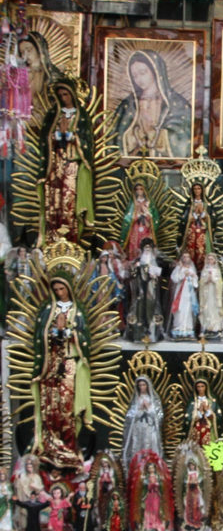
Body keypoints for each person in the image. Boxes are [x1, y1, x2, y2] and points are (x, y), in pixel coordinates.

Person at [31, 274, 91, 472]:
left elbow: (84, 337)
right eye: (55, 289)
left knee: (66, 406)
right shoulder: (48, 310)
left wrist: (70, 333)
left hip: (68, 363)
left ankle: (68, 447)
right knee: (50, 406)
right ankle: (49, 447)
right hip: (50, 365)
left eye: (61, 289)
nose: (58, 293)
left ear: (68, 288)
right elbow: (40, 334)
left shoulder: (77, 310)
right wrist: (52, 333)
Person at [37, 78, 95, 245]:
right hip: (55, 165)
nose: (63, 98)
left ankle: (72, 238)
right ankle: (52, 239)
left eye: (66, 94)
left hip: (72, 165)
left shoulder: (81, 116)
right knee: (55, 201)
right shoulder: (53, 115)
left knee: (70, 199)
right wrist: (57, 136)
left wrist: (70, 136)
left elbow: (86, 141)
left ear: (72, 95)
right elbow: (45, 138)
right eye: (60, 95)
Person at [114, 50, 191, 159]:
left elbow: (182, 138)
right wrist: (135, 134)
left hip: (167, 168)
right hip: (135, 166)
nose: (139, 79)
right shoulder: (128, 104)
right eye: (135, 75)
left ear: (155, 71)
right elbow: (117, 138)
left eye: (143, 72)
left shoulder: (176, 103)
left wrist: (156, 135)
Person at [122, 376, 164, 473]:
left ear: (148, 386)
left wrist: (149, 408)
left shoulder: (153, 400)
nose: (142, 387)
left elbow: (159, 416)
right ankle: (138, 470)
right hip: (138, 429)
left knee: (150, 446)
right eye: (140, 385)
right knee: (138, 448)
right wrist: (139, 411)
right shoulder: (136, 400)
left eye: (144, 385)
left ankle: (152, 469)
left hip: (150, 429)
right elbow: (129, 417)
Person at [125, 238, 164, 342]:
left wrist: (154, 274)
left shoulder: (156, 261)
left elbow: (161, 274)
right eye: (145, 248)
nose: (147, 250)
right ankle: (138, 331)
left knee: (152, 307)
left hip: (151, 289)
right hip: (140, 288)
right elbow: (132, 275)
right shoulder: (138, 261)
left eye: (149, 248)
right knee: (139, 308)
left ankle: (152, 331)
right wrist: (135, 268)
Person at [121, 183, 160, 261]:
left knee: (146, 245)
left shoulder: (149, 203)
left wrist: (148, 215)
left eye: (141, 189)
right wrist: (135, 216)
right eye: (137, 189)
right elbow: (127, 218)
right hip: (135, 228)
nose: (139, 191)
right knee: (134, 245)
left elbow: (155, 217)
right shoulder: (133, 203)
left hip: (146, 228)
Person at [181, 183, 212, 274]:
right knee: (191, 251)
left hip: (202, 232)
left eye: (199, 188)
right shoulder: (189, 203)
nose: (197, 191)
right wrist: (193, 215)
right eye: (195, 189)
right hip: (191, 232)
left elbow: (211, 219)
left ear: (202, 190)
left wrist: (202, 213)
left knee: (202, 252)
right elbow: (184, 219)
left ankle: (202, 272)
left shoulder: (207, 203)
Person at [168, 252, 199, 339]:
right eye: (184, 257)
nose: (186, 259)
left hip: (189, 294)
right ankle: (179, 329)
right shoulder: (178, 268)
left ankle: (187, 329)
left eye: (187, 257)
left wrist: (193, 277)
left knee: (188, 310)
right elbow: (174, 279)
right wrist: (183, 275)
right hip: (180, 293)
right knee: (180, 310)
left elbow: (196, 284)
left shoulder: (192, 268)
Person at [185, 379, 220, 446]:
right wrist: (199, 412)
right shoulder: (193, 401)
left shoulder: (211, 400)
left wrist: (207, 411)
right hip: (196, 430)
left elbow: (217, 416)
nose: (200, 388)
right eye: (198, 386)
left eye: (202, 386)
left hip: (209, 429)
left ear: (206, 387)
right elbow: (188, 418)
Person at [13, 456, 44, 531]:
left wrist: (34, 486)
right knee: (23, 516)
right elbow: (18, 486)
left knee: (33, 519)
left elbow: (40, 488)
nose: (29, 468)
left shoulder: (37, 477)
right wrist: (17, 480)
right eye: (27, 466)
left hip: (33, 500)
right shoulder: (23, 476)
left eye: (31, 466)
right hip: (23, 498)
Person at [198, 253, 223, 338]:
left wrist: (214, 281)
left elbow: (220, 283)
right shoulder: (204, 270)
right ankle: (206, 327)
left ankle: (216, 328)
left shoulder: (217, 270)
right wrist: (206, 281)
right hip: (206, 294)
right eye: (208, 259)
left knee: (215, 309)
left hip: (215, 294)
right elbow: (201, 282)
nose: (210, 261)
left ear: (214, 260)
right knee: (207, 309)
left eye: (211, 259)